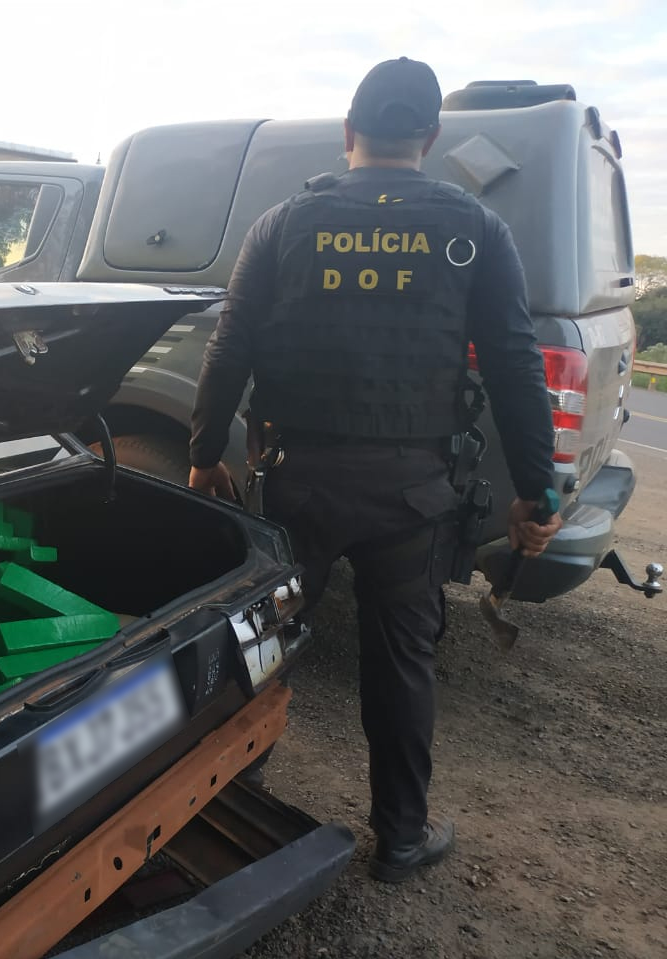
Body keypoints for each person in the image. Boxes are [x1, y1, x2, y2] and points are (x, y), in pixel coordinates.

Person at [187, 57, 563, 883]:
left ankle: (218, 801)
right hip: (414, 496)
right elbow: (515, 365)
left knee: (263, 643)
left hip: (297, 484)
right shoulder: (475, 229)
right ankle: (400, 837)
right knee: (401, 666)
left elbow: (229, 347)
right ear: (431, 137)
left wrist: (204, 455)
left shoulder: (283, 224)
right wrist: (538, 493)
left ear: (348, 131)